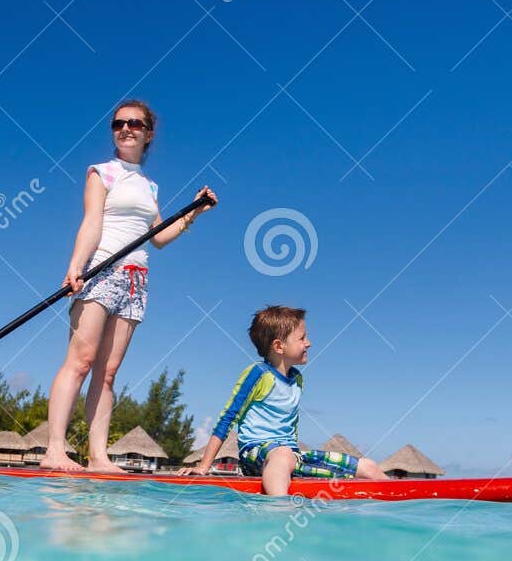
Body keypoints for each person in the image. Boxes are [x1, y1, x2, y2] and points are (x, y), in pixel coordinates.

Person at [40, 99, 215, 472]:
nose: (126, 129)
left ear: (148, 133)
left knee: (107, 373)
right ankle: (54, 449)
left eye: (135, 124)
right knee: (81, 362)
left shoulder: (150, 186)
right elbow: (92, 223)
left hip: (136, 280)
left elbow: (159, 236)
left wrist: (194, 211)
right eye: (118, 123)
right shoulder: (101, 172)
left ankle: (98, 456)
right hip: (100, 272)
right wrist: (75, 266)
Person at [194, 305, 388, 496]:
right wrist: (204, 466)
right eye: (302, 338)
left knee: (368, 467)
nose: (309, 343)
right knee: (282, 455)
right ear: (279, 346)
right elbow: (228, 417)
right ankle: (279, 513)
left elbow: (292, 426)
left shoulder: (297, 379)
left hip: (291, 455)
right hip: (256, 455)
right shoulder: (258, 374)